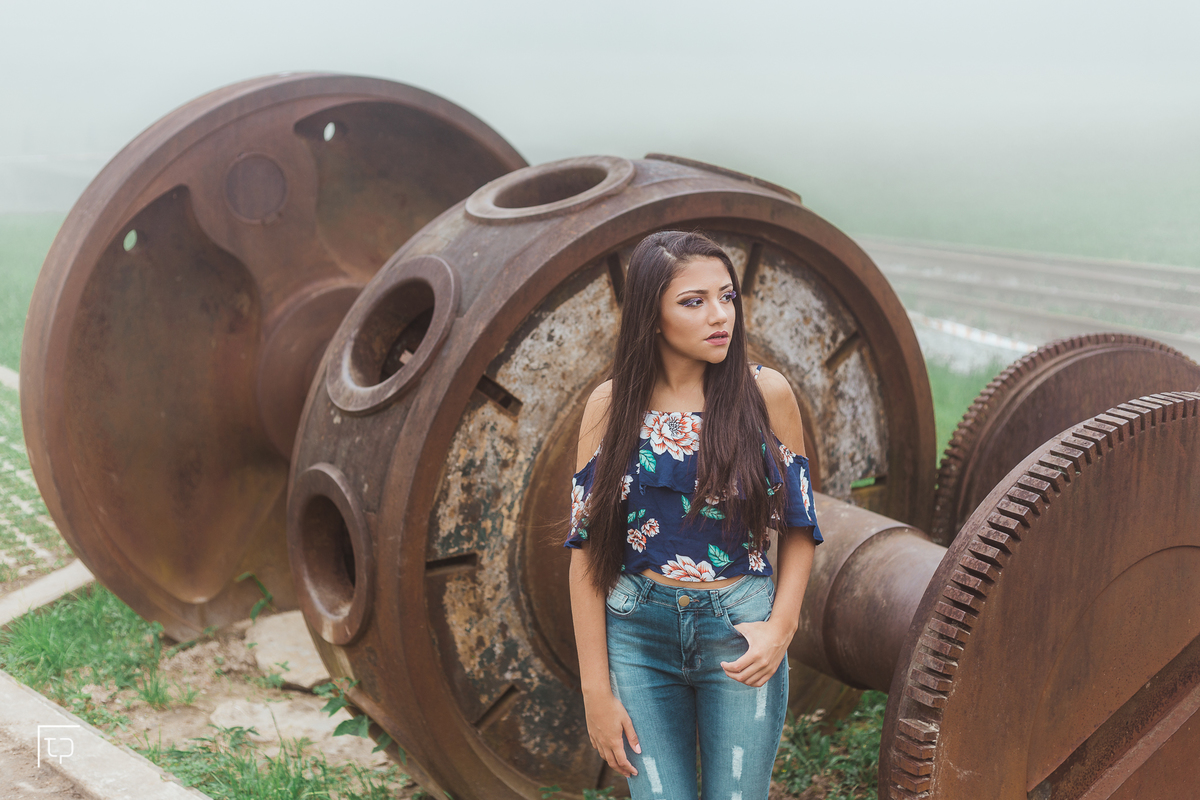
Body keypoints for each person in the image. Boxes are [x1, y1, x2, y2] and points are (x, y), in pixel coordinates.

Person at [564, 230, 822, 800]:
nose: (719, 315)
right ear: (651, 316)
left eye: (726, 297)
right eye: (693, 301)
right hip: (636, 633)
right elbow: (584, 550)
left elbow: (801, 524)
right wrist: (595, 692)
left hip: (739, 631)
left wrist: (780, 629)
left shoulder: (766, 395)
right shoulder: (610, 405)